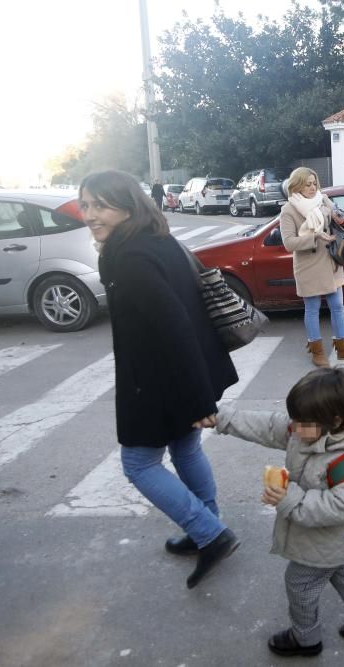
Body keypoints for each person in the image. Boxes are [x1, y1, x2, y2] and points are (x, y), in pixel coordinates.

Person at [81, 169, 240, 590]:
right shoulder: (157, 238)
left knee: (138, 464)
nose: (91, 214)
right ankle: (207, 524)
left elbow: (175, 327)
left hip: (157, 379)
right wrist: (199, 392)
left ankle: (209, 533)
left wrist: (199, 398)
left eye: (101, 204)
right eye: (86, 205)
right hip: (179, 374)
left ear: (128, 205)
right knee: (185, 447)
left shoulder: (129, 257)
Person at [213, 366, 344, 658]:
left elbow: (338, 508)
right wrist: (223, 419)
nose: (293, 428)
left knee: (299, 584)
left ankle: (305, 639)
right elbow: (270, 426)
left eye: (300, 423)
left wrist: (288, 498)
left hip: (328, 539)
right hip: (337, 544)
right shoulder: (310, 428)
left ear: (335, 419)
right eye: (294, 420)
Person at [280, 167, 344, 367]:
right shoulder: (289, 210)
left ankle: (343, 348)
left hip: (331, 262)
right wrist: (315, 236)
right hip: (308, 266)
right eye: (307, 184)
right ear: (297, 185)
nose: (312, 187)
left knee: (337, 306)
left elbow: (341, 223)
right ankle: (316, 351)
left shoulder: (324, 199)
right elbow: (289, 243)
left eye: (314, 183)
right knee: (312, 308)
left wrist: (340, 218)